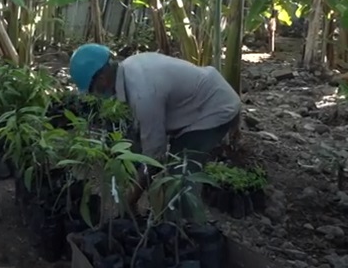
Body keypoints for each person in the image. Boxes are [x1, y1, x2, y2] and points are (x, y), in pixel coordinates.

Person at [69, 43, 242, 218]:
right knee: (135, 145)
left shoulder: (143, 92)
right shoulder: (129, 68)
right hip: (194, 102)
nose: (94, 95)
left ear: (102, 78)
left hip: (214, 108)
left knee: (180, 173)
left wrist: (130, 200)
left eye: (92, 90)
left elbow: (153, 157)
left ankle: (190, 228)